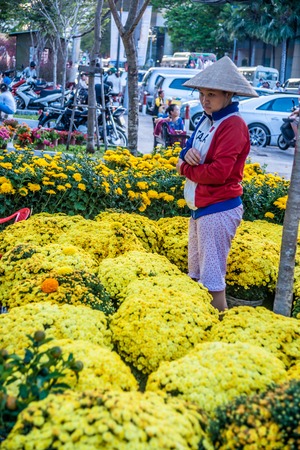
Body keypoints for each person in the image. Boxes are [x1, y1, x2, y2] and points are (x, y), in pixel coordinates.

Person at [176, 56, 258, 312]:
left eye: (211, 94)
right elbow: (187, 149)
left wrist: (185, 167)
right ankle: (203, 325)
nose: (205, 100)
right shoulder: (206, 119)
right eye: (202, 94)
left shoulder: (233, 125)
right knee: (197, 275)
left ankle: (220, 329)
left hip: (219, 209)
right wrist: (183, 157)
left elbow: (219, 173)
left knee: (212, 282)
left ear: (228, 95)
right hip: (200, 209)